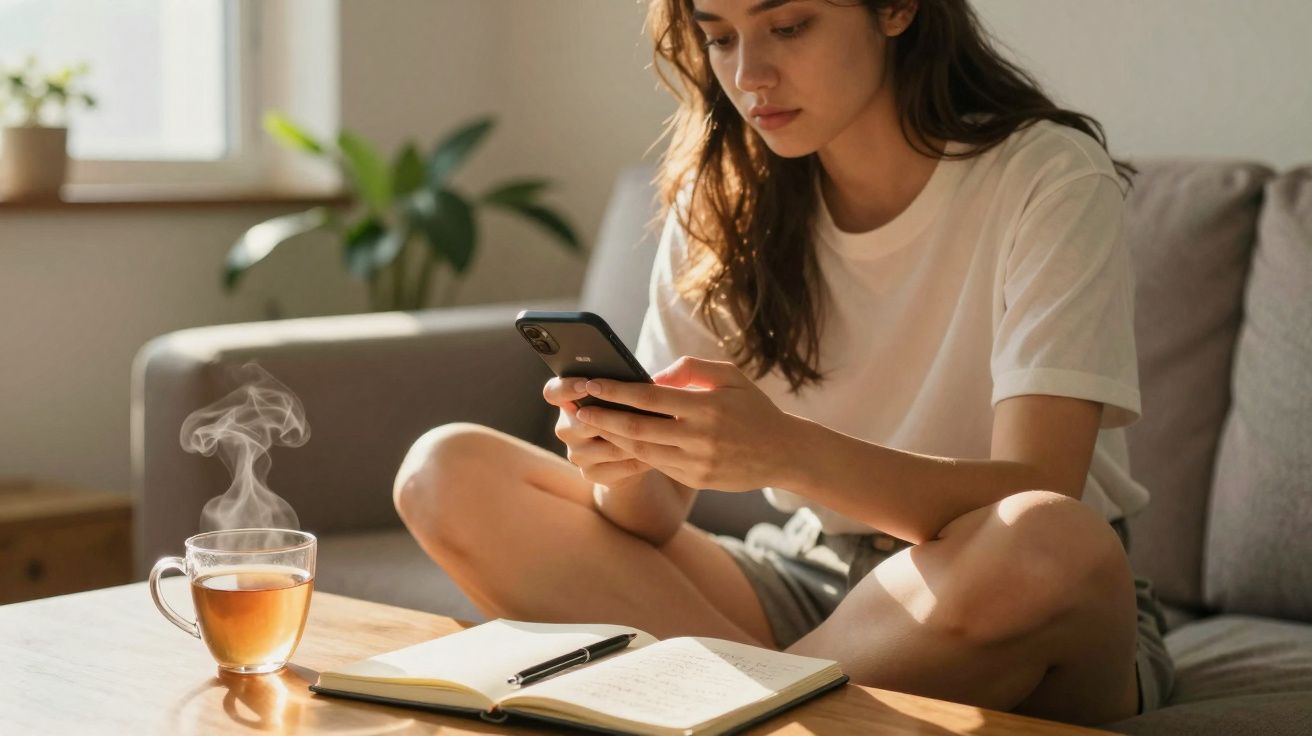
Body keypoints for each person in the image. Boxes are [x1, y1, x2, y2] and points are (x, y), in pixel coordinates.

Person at [393, 0, 1174, 726]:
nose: (748, 76)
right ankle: (764, 707)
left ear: (898, 7)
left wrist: (787, 450)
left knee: (1049, 540)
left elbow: (1040, 487)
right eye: (720, 35)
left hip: (992, 585)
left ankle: (726, 705)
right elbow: (650, 517)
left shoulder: (1047, 175)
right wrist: (622, 457)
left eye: (790, 27)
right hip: (808, 583)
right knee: (445, 472)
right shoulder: (723, 191)